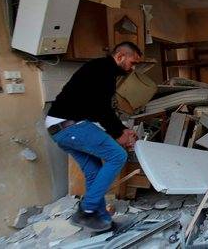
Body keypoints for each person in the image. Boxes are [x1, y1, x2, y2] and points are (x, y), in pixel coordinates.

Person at [46, 42, 142, 232]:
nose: (133, 67)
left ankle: (103, 221)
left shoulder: (100, 69)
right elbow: (101, 109)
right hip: (70, 127)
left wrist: (121, 129)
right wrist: (118, 134)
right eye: (132, 62)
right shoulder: (103, 70)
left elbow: (97, 109)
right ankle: (86, 211)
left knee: (93, 171)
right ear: (120, 56)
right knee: (118, 156)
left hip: (59, 127)